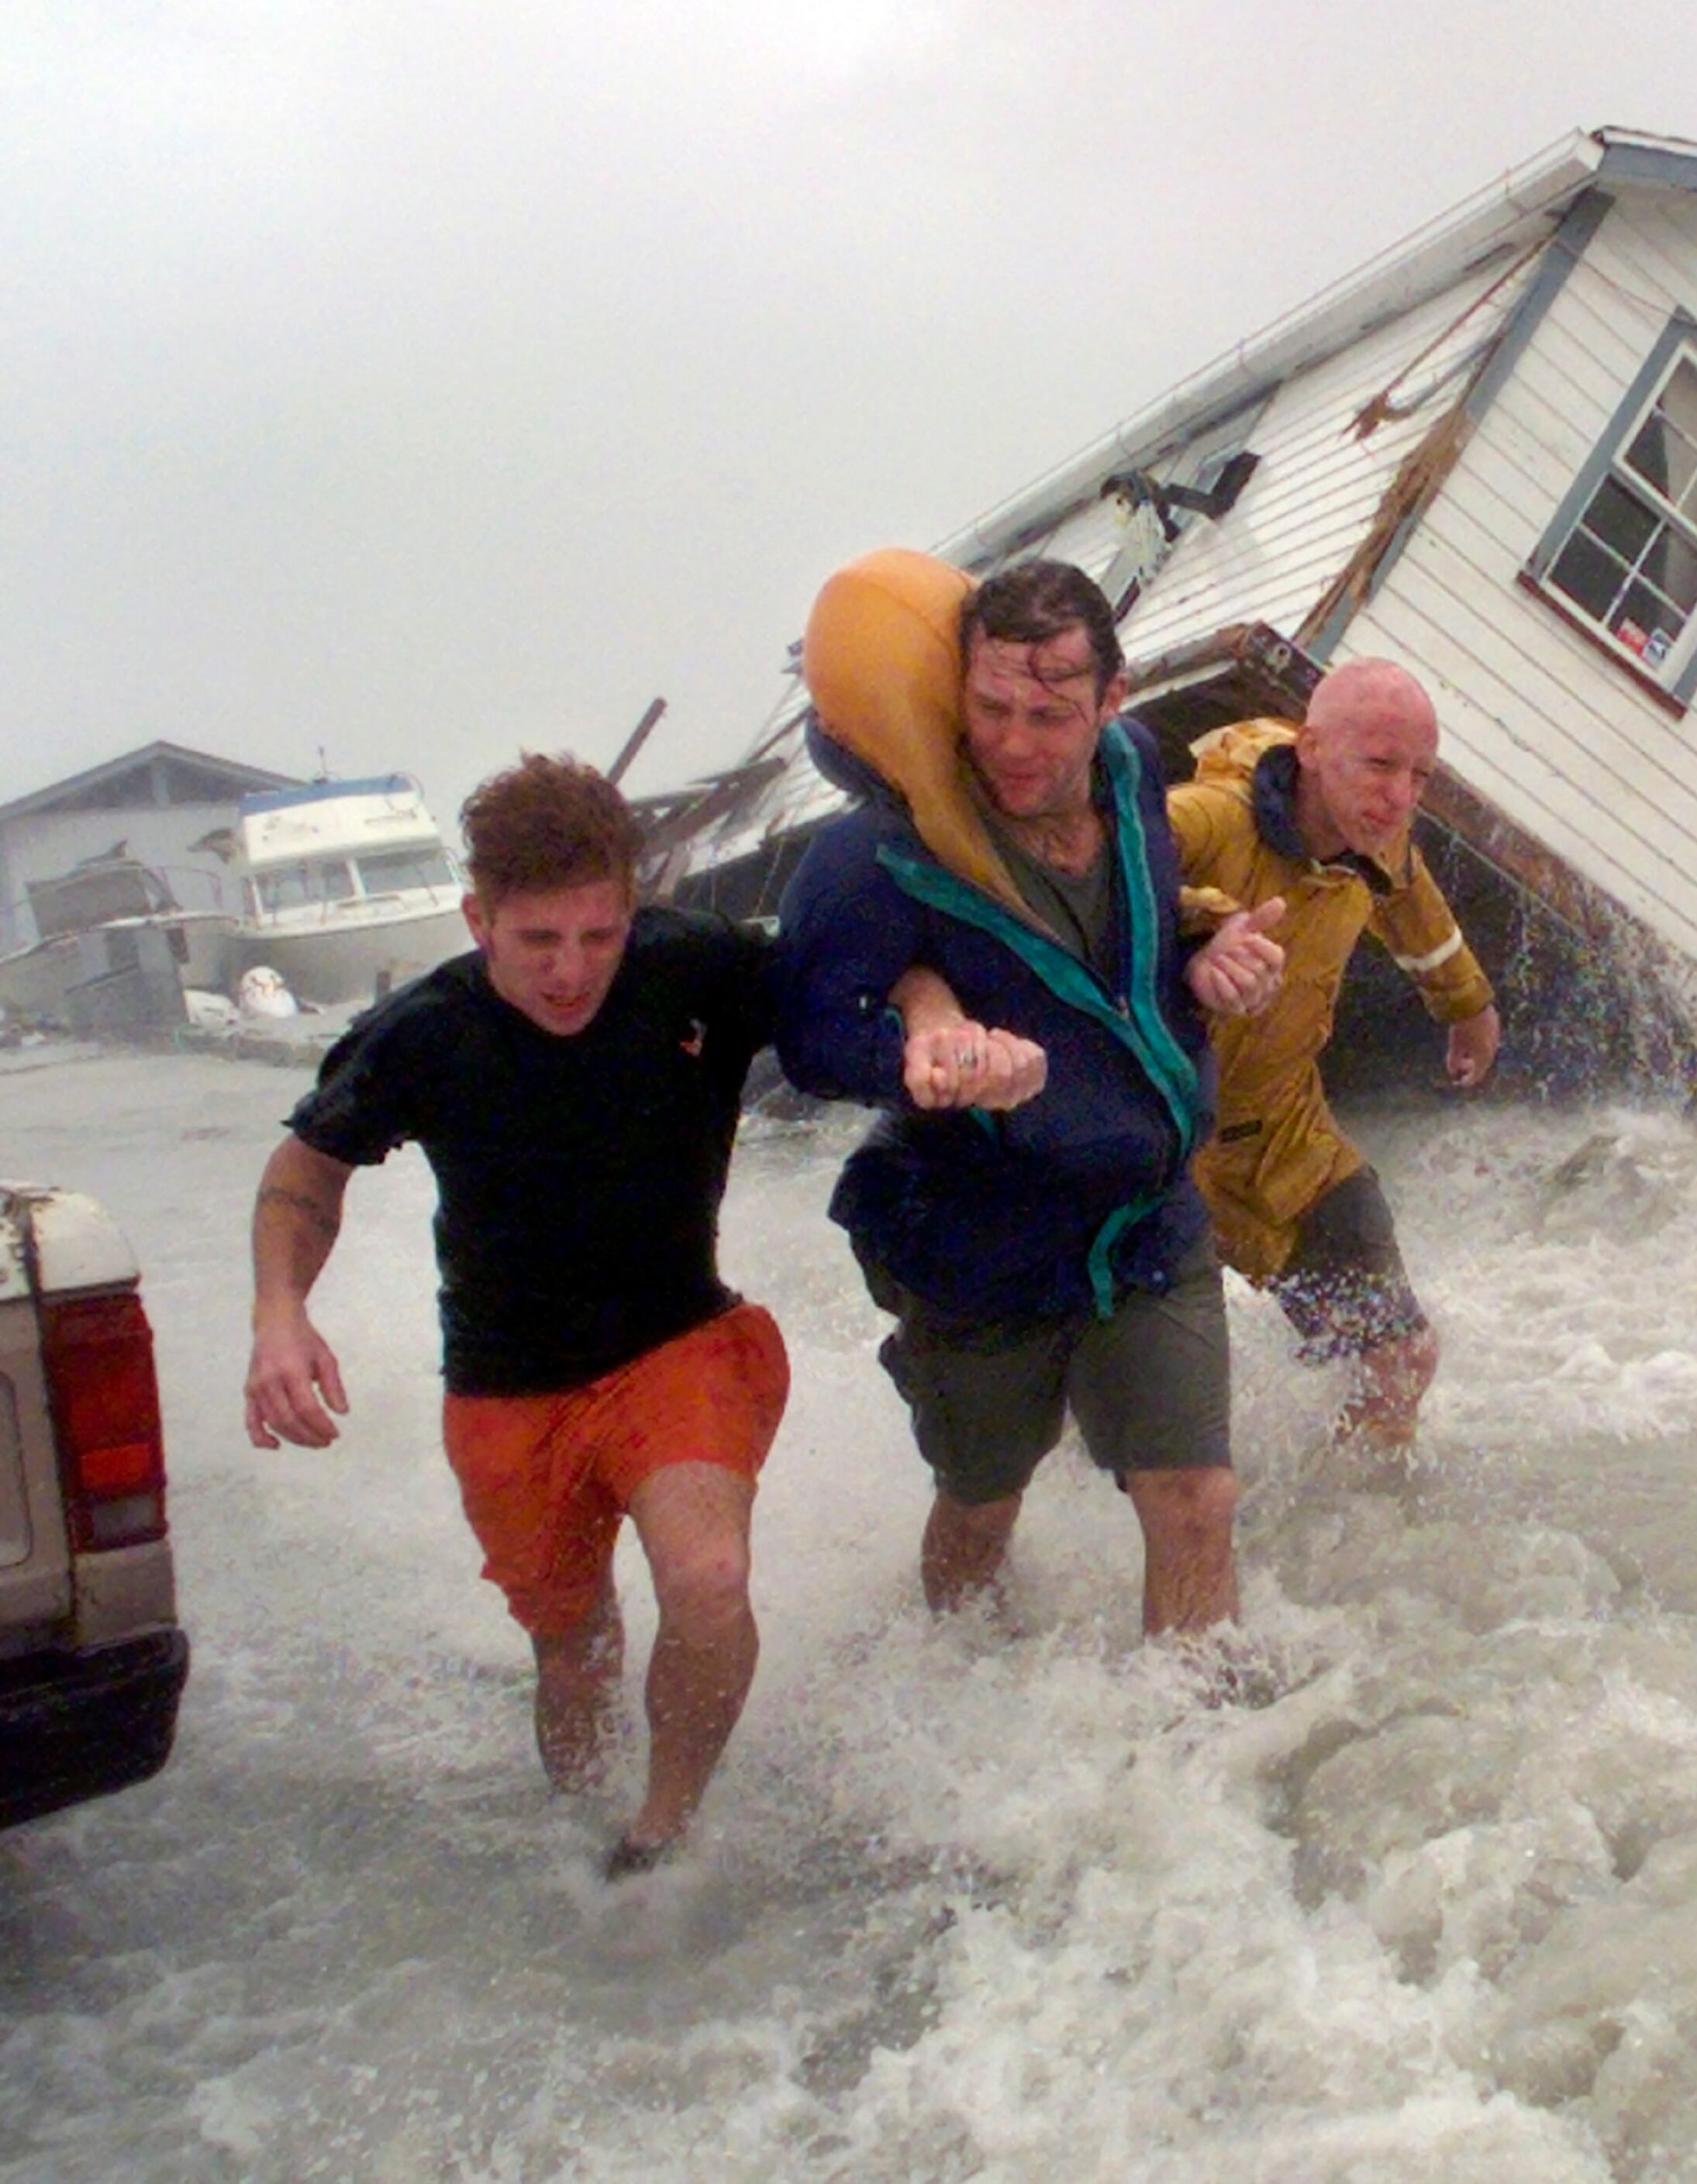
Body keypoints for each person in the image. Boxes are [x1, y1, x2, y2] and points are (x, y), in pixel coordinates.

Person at [242, 754, 788, 1879]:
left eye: (599, 935)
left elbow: (862, 973)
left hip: (676, 1343)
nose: (573, 971)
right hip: (506, 1387)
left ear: (631, 908)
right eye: (539, 941)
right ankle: (579, 1838)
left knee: (709, 1579)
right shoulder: (424, 1031)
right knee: (574, 1651)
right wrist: (280, 1313)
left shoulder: (695, 966)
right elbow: (305, 1173)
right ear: (477, 916)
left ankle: (659, 1835)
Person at [774, 550, 1284, 1632]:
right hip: (978, 1236)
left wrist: (1209, 946)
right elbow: (810, 1038)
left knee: (1195, 1499)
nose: (1013, 742)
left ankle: (1198, 1764)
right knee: (981, 1504)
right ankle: (967, 1691)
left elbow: (1121, 945)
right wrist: (911, 1055)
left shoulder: (1137, 769)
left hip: (1147, 1217)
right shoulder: (877, 853)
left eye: (1049, 715)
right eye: (991, 706)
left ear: (1113, 698)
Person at [1168, 660, 1498, 1451]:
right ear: (1311, 748)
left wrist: (1468, 1006)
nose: (1400, 795)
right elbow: (1095, 874)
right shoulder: (1209, 815)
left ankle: (1342, 1539)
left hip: (1287, 1136)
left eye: (1420, 775)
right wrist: (1202, 925)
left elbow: (1413, 904)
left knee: (1400, 1358)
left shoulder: (1376, 838)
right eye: (1380, 765)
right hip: (1158, 1149)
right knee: (1143, 1416)